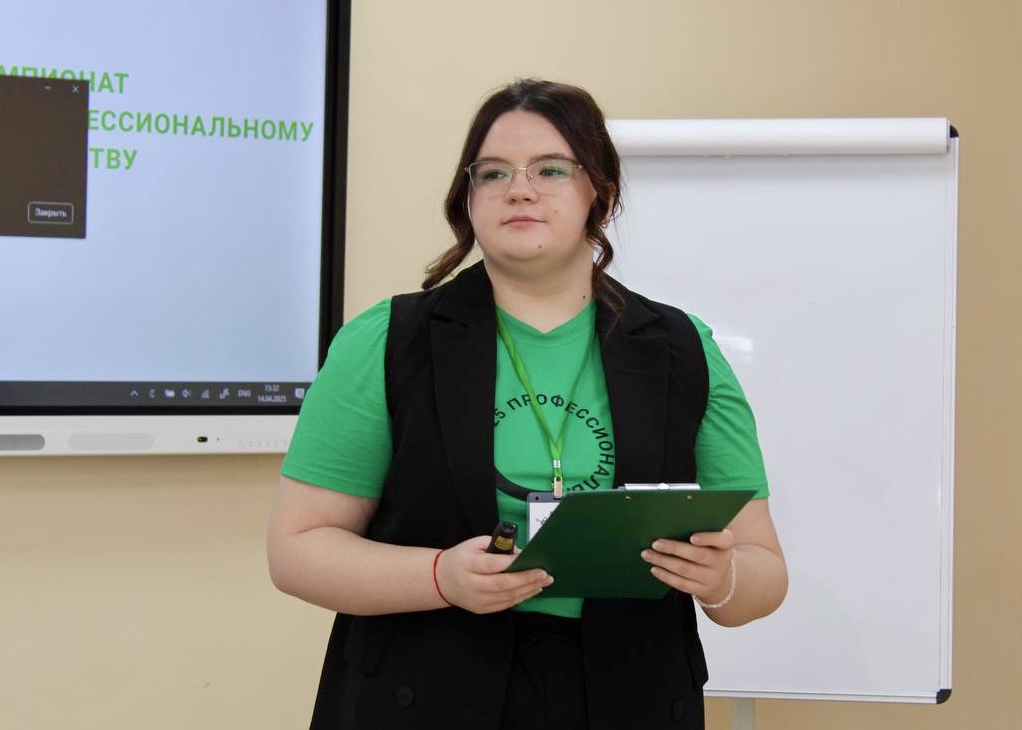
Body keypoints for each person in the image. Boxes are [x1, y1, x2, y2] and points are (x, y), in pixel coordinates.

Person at [267, 78, 788, 730]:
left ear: (601, 193)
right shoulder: (387, 341)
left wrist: (722, 578)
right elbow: (297, 550)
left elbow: (764, 571)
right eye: (493, 173)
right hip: (422, 692)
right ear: (468, 198)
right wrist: (439, 576)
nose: (520, 189)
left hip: (632, 694)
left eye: (550, 169)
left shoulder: (684, 349)